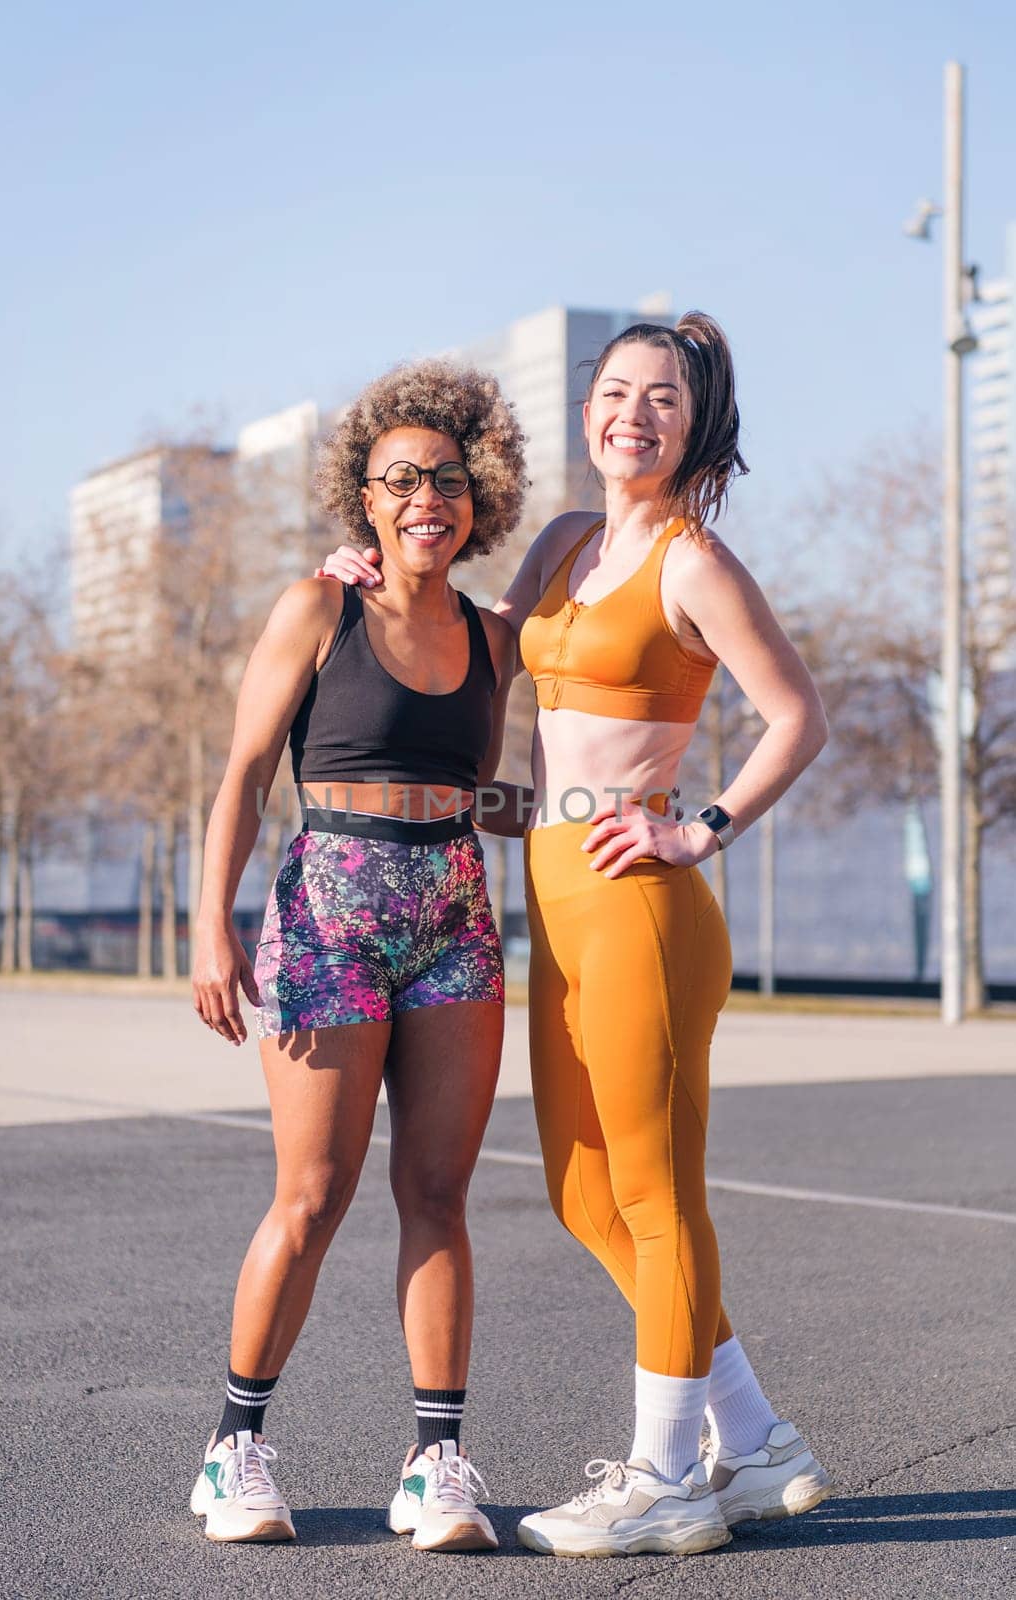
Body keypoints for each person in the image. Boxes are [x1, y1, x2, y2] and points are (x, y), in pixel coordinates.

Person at [319, 313, 833, 1559]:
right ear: (589, 409)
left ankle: (664, 1475)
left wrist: (697, 828)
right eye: (616, 391)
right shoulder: (561, 543)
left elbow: (796, 717)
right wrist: (378, 577)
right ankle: (755, 1441)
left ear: (694, 423)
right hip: (550, 892)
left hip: (641, 901)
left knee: (657, 1195)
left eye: (663, 398)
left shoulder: (693, 562)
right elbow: (474, 653)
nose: (633, 414)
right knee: (583, 1190)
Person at [189, 358, 525, 1552]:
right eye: (400, 479)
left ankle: (435, 1461)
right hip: (327, 913)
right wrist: (210, 927)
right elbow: (239, 774)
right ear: (365, 499)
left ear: (478, 496)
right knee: (312, 1194)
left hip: (454, 920)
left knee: (437, 1194)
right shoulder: (316, 608)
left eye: (446, 477)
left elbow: (482, 794)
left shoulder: (495, 639)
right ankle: (235, 1446)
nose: (426, 495)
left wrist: (587, 814)